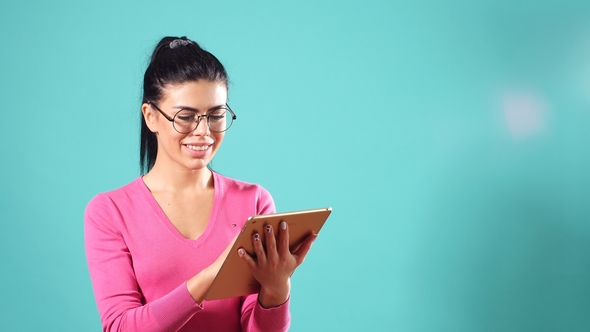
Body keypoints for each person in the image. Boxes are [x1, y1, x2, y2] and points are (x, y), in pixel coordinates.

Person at [84, 36, 317, 332]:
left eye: (216, 115)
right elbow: (121, 327)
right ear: (151, 117)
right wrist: (213, 275)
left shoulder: (254, 201)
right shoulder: (109, 211)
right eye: (186, 117)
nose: (204, 132)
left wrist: (277, 288)